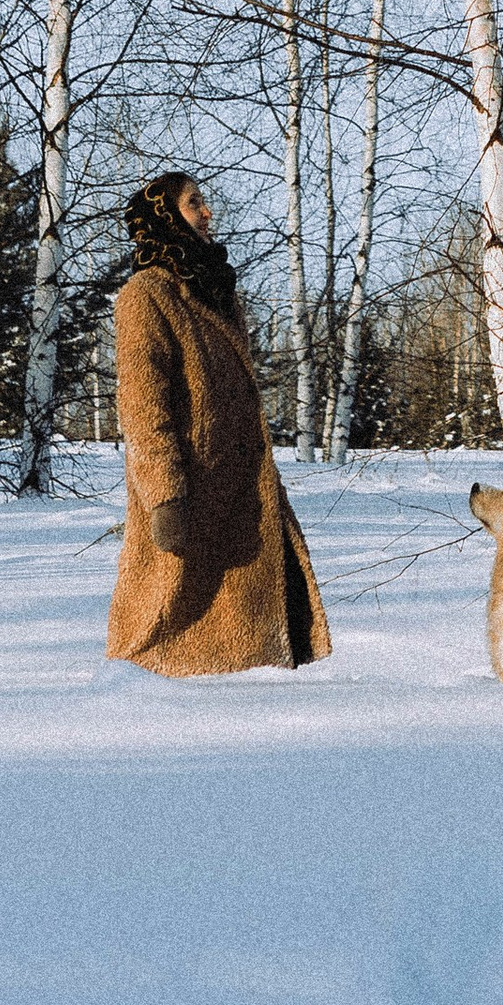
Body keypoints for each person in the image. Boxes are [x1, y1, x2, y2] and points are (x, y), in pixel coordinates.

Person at [106, 171, 330, 676]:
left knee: (256, 644)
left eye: (204, 202)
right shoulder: (145, 296)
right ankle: (135, 710)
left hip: (241, 490)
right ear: (163, 219)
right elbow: (143, 407)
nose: (207, 213)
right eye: (193, 203)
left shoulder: (213, 291)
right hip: (191, 495)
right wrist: (165, 495)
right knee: (163, 629)